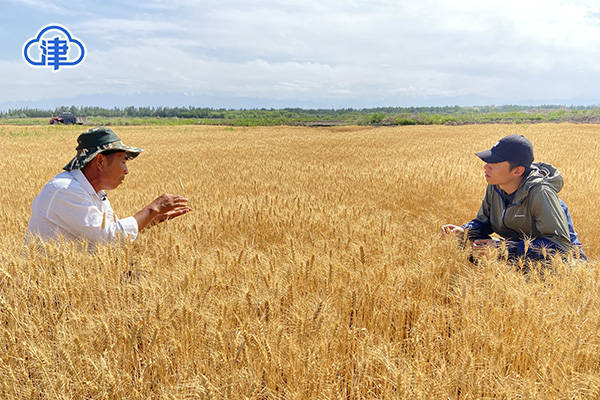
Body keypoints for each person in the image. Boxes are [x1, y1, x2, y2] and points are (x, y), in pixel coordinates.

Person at [26, 127, 191, 248]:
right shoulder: (65, 190)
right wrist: (153, 209)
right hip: (53, 285)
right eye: (124, 161)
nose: (126, 170)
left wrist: (150, 221)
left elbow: (110, 233)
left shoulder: (96, 193)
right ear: (100, 161)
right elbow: (108, 238)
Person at [441, 134, 585, 262]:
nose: (486, 167)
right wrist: (463, 231)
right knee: (475, 254)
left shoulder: (541, 193)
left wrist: (503, 247)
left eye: (494, 163)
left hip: (563, 264)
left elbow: (560, 247)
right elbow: (484, 223)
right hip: (522, 258)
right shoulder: (496, 185)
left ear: (517, 171)